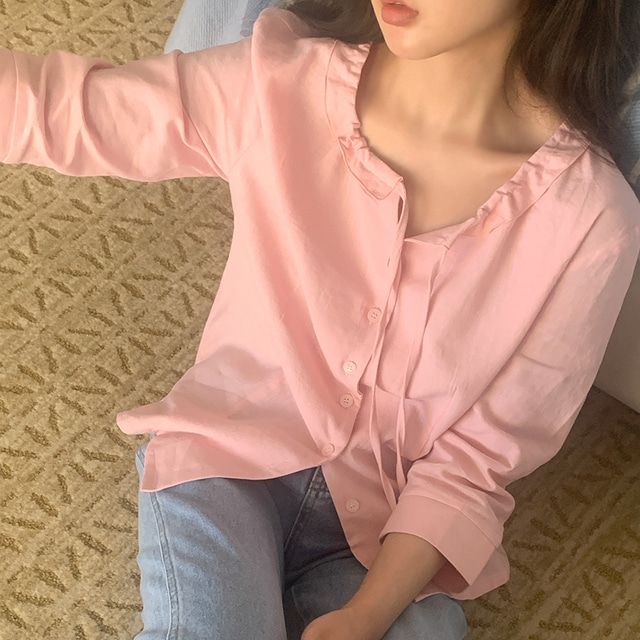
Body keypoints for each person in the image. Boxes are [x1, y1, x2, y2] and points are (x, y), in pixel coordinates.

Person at [1, 0, 640, 638]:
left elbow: (479, 460)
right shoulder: (278, 84)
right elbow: (66, 111)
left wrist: (368, 614)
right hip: (228, 464)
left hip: (384, 533)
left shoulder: (592, 218)